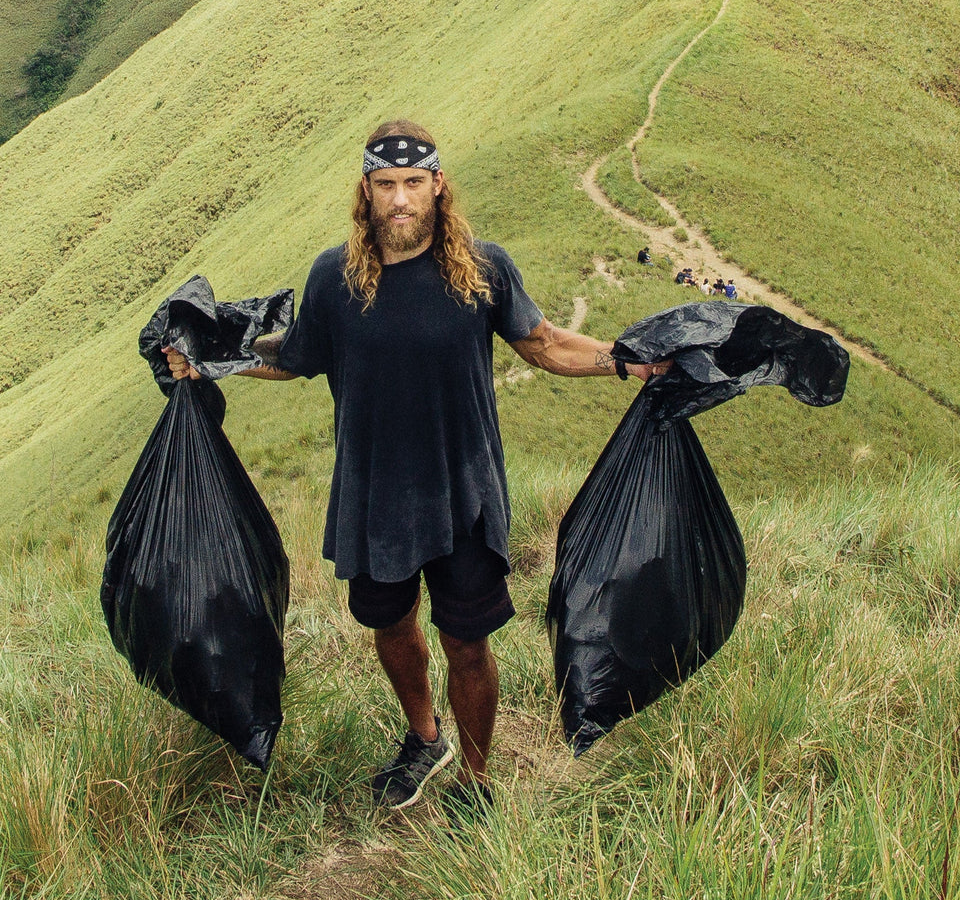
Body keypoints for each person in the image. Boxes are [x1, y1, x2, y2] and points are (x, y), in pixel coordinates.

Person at [165, 120, 668, 819]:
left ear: (437, 185)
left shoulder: (484, 269)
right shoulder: (333, 280)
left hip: (464, 494)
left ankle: (477, 777)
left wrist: (629, 357)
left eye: (411, 183)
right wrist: (213, 357)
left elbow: (546, 345)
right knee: (392, 626)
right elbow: (295, 357)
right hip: (374, 500)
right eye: (384, 185)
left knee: (467, 644)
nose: (399, 200)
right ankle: (424, 736)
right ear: (365, 194)